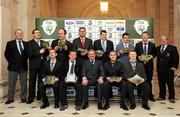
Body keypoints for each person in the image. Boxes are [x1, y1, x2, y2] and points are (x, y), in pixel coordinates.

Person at [4, 29, 28, 104]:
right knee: (11, 83)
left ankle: (23, 97)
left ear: (22, 34)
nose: (20, 34)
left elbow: (27, 55)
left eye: (21, 33)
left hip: (23, 66)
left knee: (23, 83)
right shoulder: (10, 43)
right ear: (15, 34)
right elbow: (6, 54)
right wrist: (12, 62)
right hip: (13, 67)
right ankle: (10, 98)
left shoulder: (26, 44)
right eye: (18, 33)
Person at [27, 29, 49, 104]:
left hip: (43, 65)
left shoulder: (44, 43)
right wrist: (38, 52)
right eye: (36, 33)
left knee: (41, 82)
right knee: (32, 81)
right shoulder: (29, 43)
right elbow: (29, 54)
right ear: (33, 34)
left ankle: (40, 95)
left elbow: (47, 53)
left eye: (39, 32)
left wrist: (48, 50)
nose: (38, 34)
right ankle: (31, 97)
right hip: (33, 65)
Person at [156, 35, 179, 103]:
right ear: (160, 40)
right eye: (162, 39)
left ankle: (171, 97)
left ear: (167, 40)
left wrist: (174, 66)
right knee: (161, 83)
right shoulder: (158, 48)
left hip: (169, 69)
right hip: (160, 69)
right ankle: (162, 96)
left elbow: (176, 58)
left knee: (170, 83)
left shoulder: (172, 48)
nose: (163, 41)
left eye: (164, 39)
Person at [135, 31, 156, 102]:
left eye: (146, 35)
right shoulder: (137, 45)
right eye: (143, 35)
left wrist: (152, 56)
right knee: (139, 80)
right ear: (141, 37)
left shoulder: (152, 45)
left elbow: (155, 54)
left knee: (149, 81)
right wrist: (138, 57)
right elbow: (135, 54)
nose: (144, 37)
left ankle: (150, 96)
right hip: (140, 66)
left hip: (149, 66)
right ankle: (140, 95)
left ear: (148, 36)